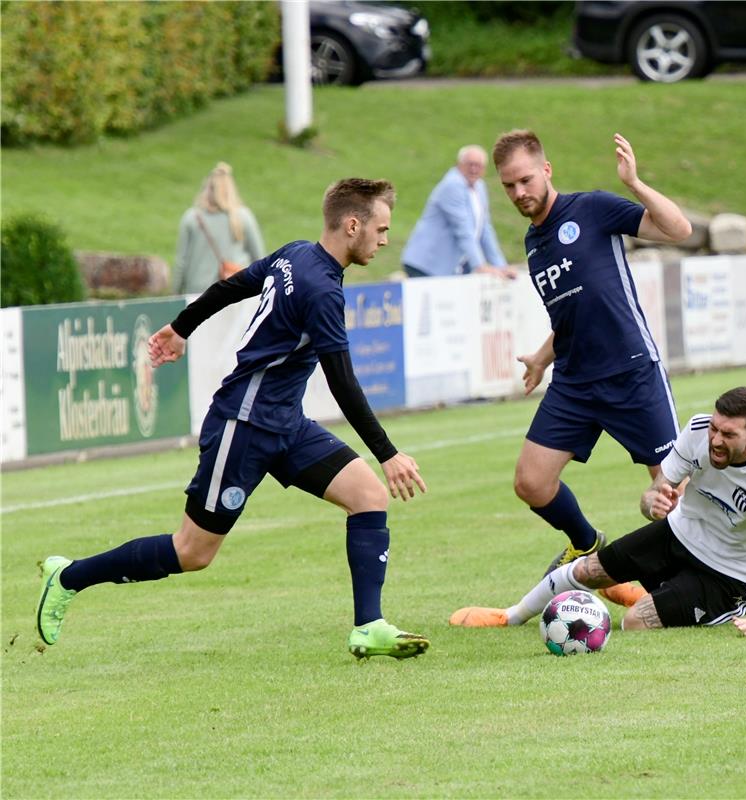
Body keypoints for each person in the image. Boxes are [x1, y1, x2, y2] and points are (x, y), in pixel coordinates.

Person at [37, 178, 431, 661]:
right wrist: (388, 453)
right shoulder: (321, 289)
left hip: (284, 423)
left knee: (367, 496)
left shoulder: (294, 255)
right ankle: (69, 576)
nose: (385, 240)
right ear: (353, 225)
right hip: (243, 426)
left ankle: (369, 626)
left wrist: (181, 328)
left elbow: (232, 286)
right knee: (192, 552)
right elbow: (343, 382)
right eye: (382, 229)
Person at [449, 387, 746, 636]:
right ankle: (510, 617)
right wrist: (651, 502)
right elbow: (654, 493)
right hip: (681, 534)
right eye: (715, 428)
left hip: (730, 574)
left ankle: (648, 600)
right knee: (588, 569)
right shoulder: (699, 430)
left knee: (637, 622)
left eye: (728, 435)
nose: (715, 440)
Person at [491, 129, 693, 574]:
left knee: (670, 489)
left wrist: (635, 185)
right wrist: (544, 356)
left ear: (546, 170)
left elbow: (680, 230)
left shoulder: (592, 209)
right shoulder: (532, 243)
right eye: (508, 185)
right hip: (574, 382)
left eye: (525, 179)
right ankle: (585, 543)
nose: (519, 192)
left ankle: (692, 577)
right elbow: (572, 310)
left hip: (631, 372)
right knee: (531, 482)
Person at [401, 145, 517, 280]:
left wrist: (501, 266)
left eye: (478, 166)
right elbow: (463, 230)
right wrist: (480, 265)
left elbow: (485, 230)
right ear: (459, 164)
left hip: (444, 267)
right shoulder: (453, 185)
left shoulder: (479, 187)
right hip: (426, 263)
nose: (474, 169)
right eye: (470, 164)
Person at [174, 162, 266, 294]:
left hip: (198, 293)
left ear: (206, 188)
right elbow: (259, 258)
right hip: (235, 291)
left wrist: (175, 293)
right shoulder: (243, 216)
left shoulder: (192, 217)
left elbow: (181, 262)